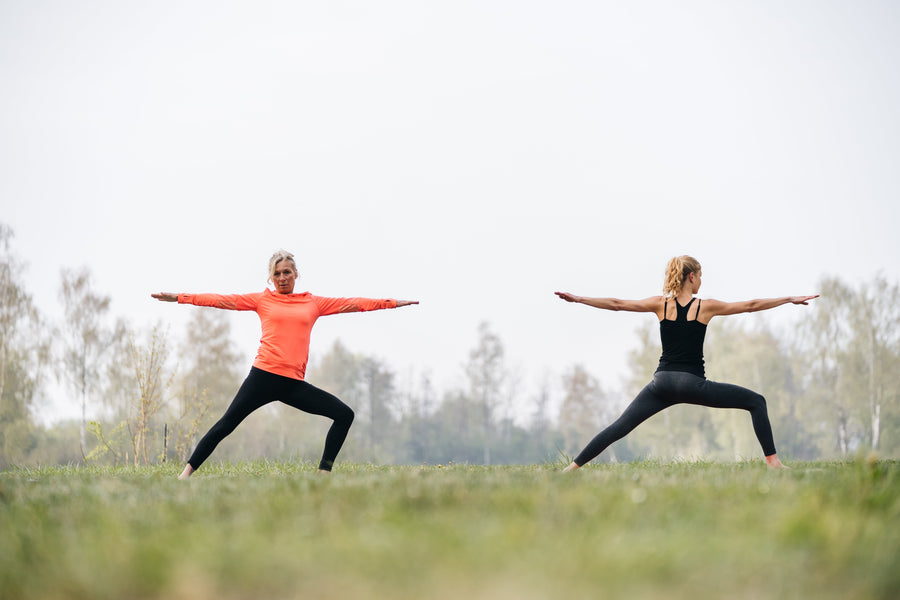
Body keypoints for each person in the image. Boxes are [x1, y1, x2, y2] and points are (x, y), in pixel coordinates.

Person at [152, 249, 418, 478]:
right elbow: (221, 300)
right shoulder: (262, 300)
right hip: (262, 377)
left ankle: (323, 473)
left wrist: (393, 303)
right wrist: (179, 297)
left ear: (296, 274)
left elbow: (355, 304)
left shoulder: (313, 303)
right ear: (271, 277)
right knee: (226, 425)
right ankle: (185, 475)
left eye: (287, 272)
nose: (282, 278)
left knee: (344, 415)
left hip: (293, 384)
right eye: (277, 273)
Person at [555, 255, 818, 471]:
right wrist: (787, 299)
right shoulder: (705, 307)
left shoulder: (660, 304)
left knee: (619, 427)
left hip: (662, 384)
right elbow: (750, 305)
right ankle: (773, 464)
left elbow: (617, 304)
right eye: (700, 275)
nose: (701, 281)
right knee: (756, 401)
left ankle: (571, 469)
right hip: (692, 384)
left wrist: (579, 299)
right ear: (691, 276)